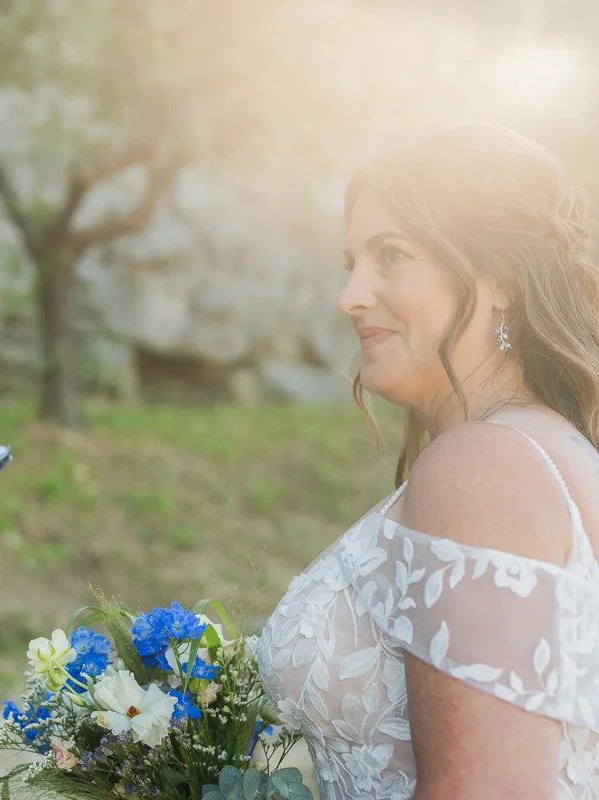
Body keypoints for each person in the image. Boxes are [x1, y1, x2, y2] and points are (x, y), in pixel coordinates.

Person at [256, 123, 599, 799]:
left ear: (497, 279)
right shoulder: (538, 448)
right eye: (350, 263)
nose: (349, 295)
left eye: (391, 256)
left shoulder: (485, 467)